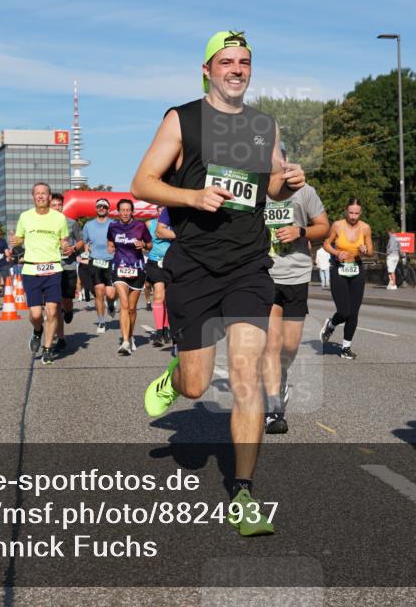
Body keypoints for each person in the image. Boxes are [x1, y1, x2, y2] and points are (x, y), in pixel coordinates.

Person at [130, 30, 306, 536]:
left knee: (248, 374)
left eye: (244, 62)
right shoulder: (181, 119)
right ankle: (175, 375)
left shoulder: (263, 124)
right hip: (195, 266)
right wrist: (191, 198)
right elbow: (143, 182)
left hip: (249, 265)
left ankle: (245, 494)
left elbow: (266, 185)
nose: (236, 69)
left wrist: (286, 179)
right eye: (226, 61)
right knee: (197, 384)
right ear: (206, 69)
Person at [261, 177, 329, 434]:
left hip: (296, 277)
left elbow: (323, 226)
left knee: (288, 347)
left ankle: (280, 377)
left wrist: (300, 231)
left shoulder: (304, 192)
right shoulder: (255, 192)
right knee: (271, 344)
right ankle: (273, 409)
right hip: (264, 275)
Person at [13, 182, 69, 365]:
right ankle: (38, 330)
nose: (40, 196)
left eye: (44, 193)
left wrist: (65, 246)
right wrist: (16, 240)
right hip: (31, 269)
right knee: (36, 314)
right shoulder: (25, 217)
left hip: (53, 268)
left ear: (50, 197)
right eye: (37, 193)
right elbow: (20, 237)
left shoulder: (59, 218)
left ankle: (47, 348)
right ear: (33, 197)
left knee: (52, 310)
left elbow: (63, 240)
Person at [319, 197, 374, 359]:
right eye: (351, 212)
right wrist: (336, 253)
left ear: (360, 212)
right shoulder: (337, 225)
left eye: (356, 213)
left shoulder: (365, 228)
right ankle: (331, 324)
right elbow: (326, 244)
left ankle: (345, 348)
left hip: (357, 269)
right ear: (346, 210)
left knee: (353, 314)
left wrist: (365, 250)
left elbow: (371, 251)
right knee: (343, 311)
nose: (353, 216)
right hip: (339, 269)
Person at [107, 198, 152, 355]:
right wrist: (110, 248)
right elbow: (110, 241)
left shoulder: (140, 225)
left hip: (137, 269)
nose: (125, 213)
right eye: (122, 210)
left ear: (131, 211)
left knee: (132, 308)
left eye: (128, 210)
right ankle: (125, 341)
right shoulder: (113, 226)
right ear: (118, 211)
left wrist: (144, 245)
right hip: (119, 268)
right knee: (124, 305)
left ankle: (130, 336)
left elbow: (150, 244)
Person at [49, 192, 85, 352]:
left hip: (68, 266)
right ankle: (61, 338)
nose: (57, 208)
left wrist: (74, 248)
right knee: (54, 306)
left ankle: (69, 310)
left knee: (66, 301)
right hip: (52, 267)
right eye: (54, 205)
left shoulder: (71, 223)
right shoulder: (45, 225)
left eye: (59, 205)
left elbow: (81, 242)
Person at [83, 198, 117, 334]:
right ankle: (101, 321)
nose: (101, 208)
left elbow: (119, 240)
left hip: (110, 261)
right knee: (99, 291)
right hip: (95, 261)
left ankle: (110, 303)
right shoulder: (88, 225)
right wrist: (86, 249)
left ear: (108, 209)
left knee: (110, 293)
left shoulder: (114, 224)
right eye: (99, 207)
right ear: (96, 209)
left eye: (104, 206)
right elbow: (85, 242)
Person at [145, 207, 175, 346]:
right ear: (157, 211)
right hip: (154, 262)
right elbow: (146, 243)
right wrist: (143, 246)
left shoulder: (174, 224)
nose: (162, 211)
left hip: (170, 263)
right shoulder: (149, 224)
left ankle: (166, 329)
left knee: (168, 297)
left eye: (164, 209)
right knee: (158, 293)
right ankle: (158, 332)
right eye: (159, 209)